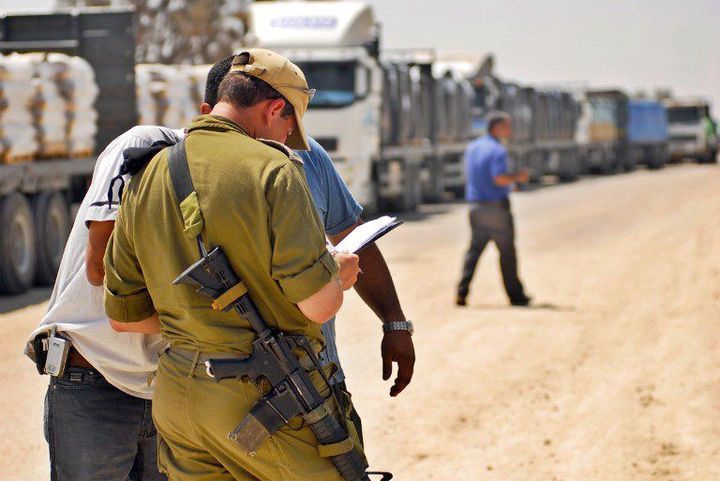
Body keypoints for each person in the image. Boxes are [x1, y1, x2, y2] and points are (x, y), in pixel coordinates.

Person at [103, 49, 362, 481]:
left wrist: (199, 324)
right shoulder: (275, 169)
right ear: (276, 108)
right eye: (289, 125)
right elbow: (319, 306)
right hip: (266, 394)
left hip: (181, 399)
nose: (286, 136)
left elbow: (125, 318)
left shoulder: (147, 173)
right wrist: (335, 274)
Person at [456, 110, 531, 307]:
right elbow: (498, 178)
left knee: (473, 252)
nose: (510, 130)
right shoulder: (498, 150)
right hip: (496, 210)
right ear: (497, 127)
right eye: (507, 126)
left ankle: (461, 293)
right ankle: (516, 297)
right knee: (507, 254)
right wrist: (517, 177)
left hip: (476, 208)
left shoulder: (472, 147)